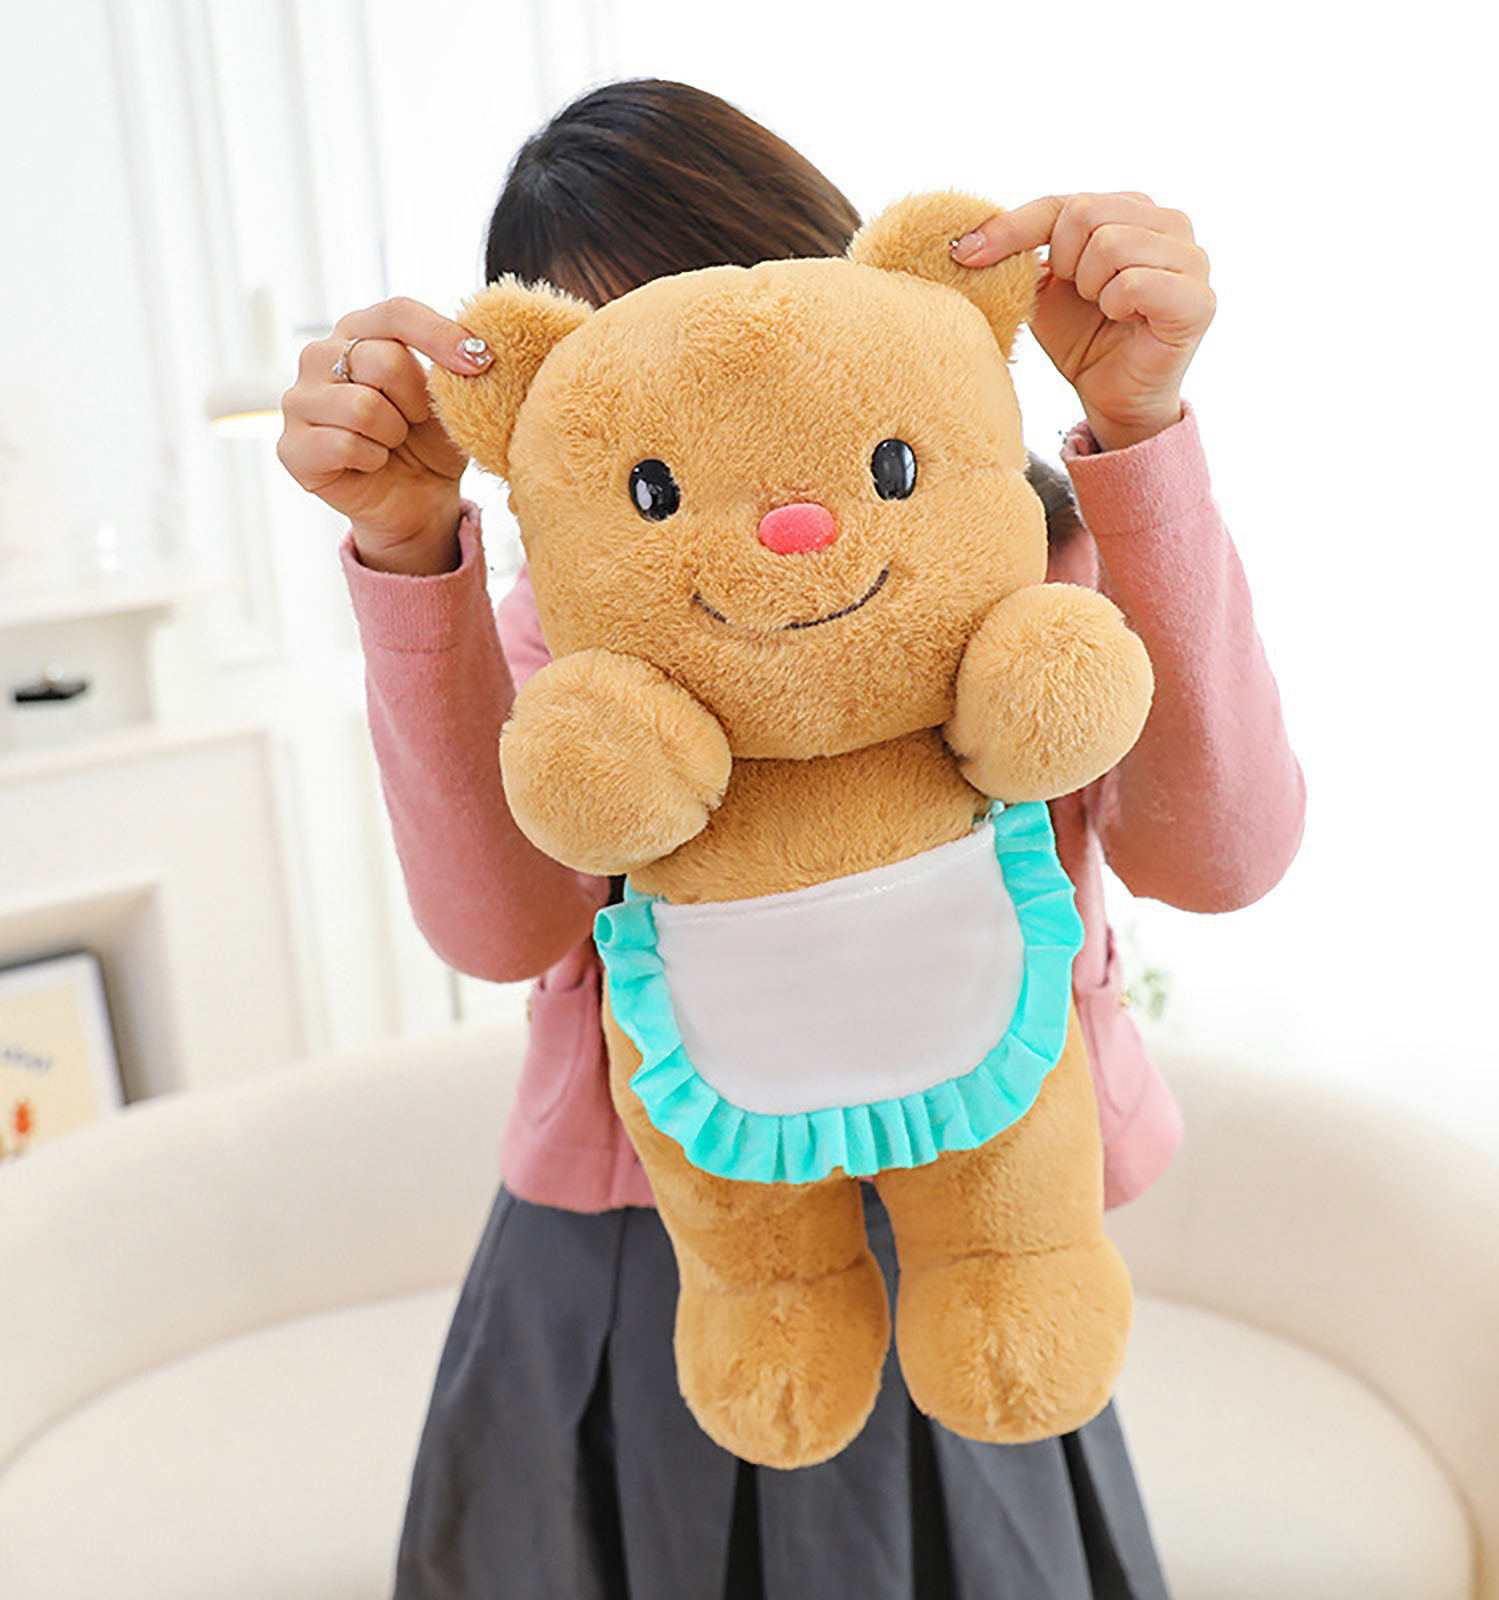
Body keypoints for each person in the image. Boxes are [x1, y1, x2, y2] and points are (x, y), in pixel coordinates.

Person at [278, 77, 1304, 1600]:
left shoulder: (1017, 576)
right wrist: (406, 552)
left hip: (992, 1210)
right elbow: (503, 933)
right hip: (660, 1244)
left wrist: (1140, 439)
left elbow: (1224, 857)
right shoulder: (568, 648)